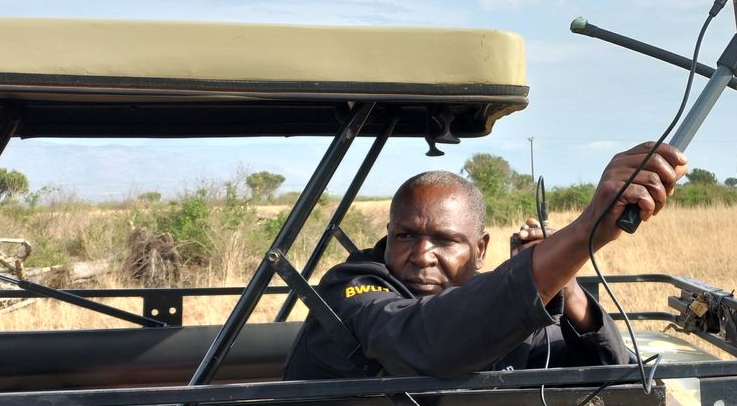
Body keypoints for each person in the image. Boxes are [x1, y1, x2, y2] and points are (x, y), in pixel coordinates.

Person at [282, 142, 688, 379]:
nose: (421, 256)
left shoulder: (492, 305)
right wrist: (584, 233)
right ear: (387, 235)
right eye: (405, 236)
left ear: (480, 250)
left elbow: (610, 374)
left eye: (445, 241)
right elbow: (426, 338)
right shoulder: (353, 285)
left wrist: (563, 282)